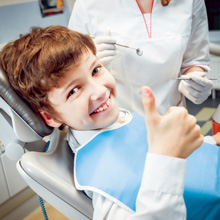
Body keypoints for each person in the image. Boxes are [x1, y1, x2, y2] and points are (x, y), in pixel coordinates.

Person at [0, 25, 217, 220]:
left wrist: (211, 142)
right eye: (74, 91)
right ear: (51, 117)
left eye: (95, 70)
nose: (100, 91)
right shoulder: (97, 175)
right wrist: (166, 158)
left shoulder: (120, 121)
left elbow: (188, 163)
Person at [68, 0, 214, 117]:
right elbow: (70, 75)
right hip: (115, 121)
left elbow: (194, 60)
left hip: (172, 118)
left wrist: (195, 80)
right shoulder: (87, 5)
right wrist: (90, 63)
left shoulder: (190, 2)